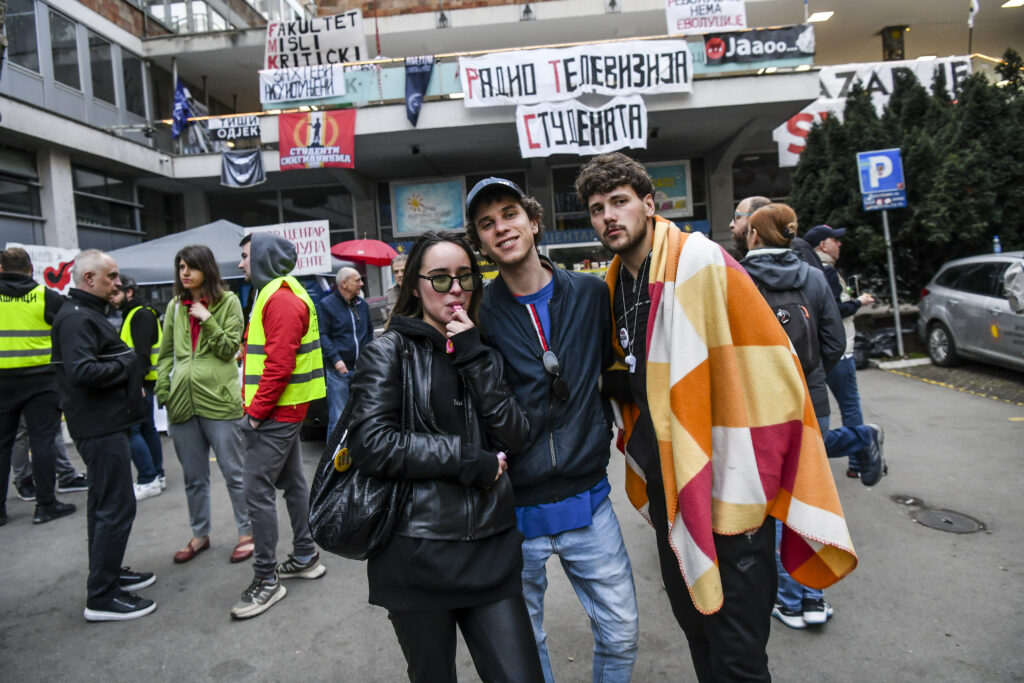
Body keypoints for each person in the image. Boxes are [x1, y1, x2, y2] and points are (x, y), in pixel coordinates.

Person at [577, 152, 857, 681]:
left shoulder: (699, 260)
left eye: (619, 202)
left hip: (729, 484)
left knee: (739, 656)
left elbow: (773, 364)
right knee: (698, 634)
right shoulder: (616, 284)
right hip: (670, 485)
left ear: (649, 204)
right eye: (597, 209)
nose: (608, 216)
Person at [347, 231, 544, 683]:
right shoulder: (388, 352)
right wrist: (466, 459)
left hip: (491, 553)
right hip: (416, 555)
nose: (455, 289)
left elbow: (515, 434)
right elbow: (371, 443)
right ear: (415, 286)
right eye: (439, 278)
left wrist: (475, 359)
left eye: (465, 278)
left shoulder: (484, 350)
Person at [466, 177, 639, 683]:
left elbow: (623, 365)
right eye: (487, 223)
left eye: (510, 214)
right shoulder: (479, 315)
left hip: (590, 504)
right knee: (525, 646)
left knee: (622, 632)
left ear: (534, 222)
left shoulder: (590, 295)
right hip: (514, 513)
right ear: (481, 243)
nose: (502, 228)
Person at [740, 203, 847, 630]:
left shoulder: (739, 278)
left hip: (759, 407)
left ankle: (786, 598)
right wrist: (810, 377)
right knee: (809, 494)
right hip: (810, 403)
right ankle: (814, 597)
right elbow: (834, 342)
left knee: (776, 504)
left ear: (753, 236)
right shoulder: (815, 278)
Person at [51, 249, 156, 621]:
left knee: (104, 504)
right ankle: (102, 595)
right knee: (115, 506)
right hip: (98, 425)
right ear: (89, 279)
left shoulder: (85, 315)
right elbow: (82, 371)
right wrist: (126, 362)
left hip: (101, 422)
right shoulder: (78, 318)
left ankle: (107, 576)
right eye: (111, 276)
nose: (117, 282)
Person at [233, 232, 327, 620]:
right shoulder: (280, 292)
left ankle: (266, 579)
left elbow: (279, 364)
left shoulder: (280, 298)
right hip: (284, 412)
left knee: (256, 492)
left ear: (263, 258)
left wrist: (254, 414)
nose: (240, 264)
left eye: (245, 256)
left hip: (274, 415)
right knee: (292, 483)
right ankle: (305, 555)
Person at [155, 245, 253, 565]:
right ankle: (200, 534)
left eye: (191, 266)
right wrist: (164, 388)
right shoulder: (174, 306)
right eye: (181, 266)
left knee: (233, 472)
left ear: (206, 269)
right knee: (194, 477)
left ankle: (247, 532)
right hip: (182, 403)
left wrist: (207, 317)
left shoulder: (229, 302)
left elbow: (229, 350)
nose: (185, 272)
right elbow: (165, 353)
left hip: (220, 401)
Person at [0, 247, 76, 526]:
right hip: (41, 381)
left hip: (1, 383)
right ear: (31, 269)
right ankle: (46, 505)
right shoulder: (47, 296)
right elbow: (68, 330)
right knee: (42, 442)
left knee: (2, 446)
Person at [806, 224, 887, 481]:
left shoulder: (807, 270)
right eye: (834, 240)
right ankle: (859, 459)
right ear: (822, 245)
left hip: (816, 350)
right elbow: (833, 311)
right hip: (838, 351)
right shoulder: (825, 272)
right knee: (850, 405)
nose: (839, 244)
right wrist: (858, 303)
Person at [113, 276, 164, 502]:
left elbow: (141, 354)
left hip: (139, 383)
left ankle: (148, 478)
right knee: (147, 428)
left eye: (116, 293)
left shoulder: (139, 315)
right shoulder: (138, 313)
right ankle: (156, 475)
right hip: (143, 381)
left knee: (134, 430)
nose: (112, 298)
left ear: (129, 292)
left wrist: (137, 384)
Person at [316, 266, 372, 438]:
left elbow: (368, 333)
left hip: (362, 370)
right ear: (344, 283)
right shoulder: (327, 305)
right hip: (338, 371)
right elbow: (323, 335)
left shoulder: (362, 304)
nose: (361, 284)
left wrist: (370, 358)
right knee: (339, 418)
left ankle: (359, 460)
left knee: (365, 416)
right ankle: (332, 463)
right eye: (357, 280)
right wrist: (336, 360)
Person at [730, 194, 822, 269]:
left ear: (757, 218)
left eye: (737, 217)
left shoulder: (798, 247)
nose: (731, 224)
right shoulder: (741, 261)